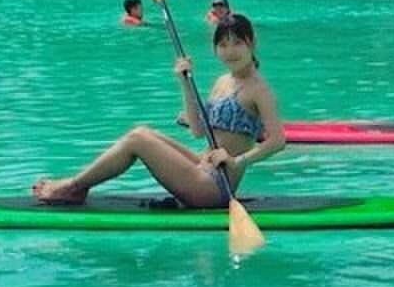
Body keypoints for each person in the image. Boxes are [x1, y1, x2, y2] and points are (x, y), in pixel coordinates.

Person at [33, 13, 284, 207]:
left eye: (237, 43)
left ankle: (74, 186)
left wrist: (236, 160)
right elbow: (198, 131)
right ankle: (77, 185)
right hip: (200, 166)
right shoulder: (223, 81)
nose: (229, 52)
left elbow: (277, 141)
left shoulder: (259, 89)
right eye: (223, 44)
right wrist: (185, 81)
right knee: (141, 131)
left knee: (138, 140)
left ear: (251, 43)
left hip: (215, 187)